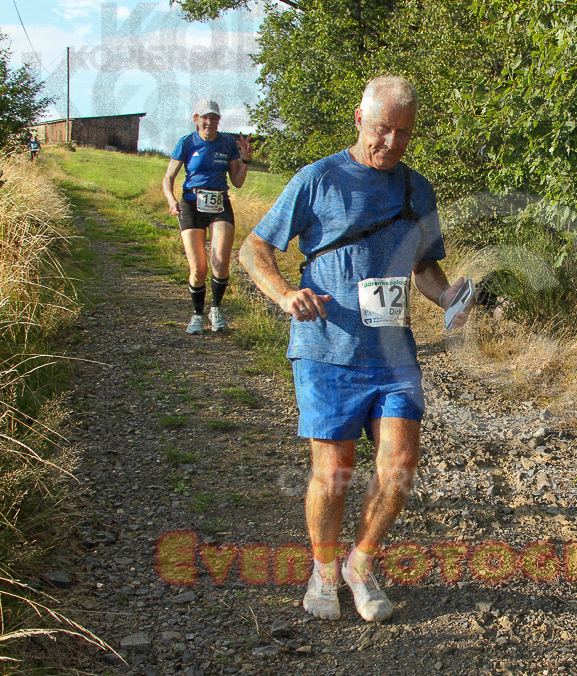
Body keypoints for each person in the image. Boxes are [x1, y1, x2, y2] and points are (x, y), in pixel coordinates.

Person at [239, 75, 473, 623]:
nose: (390, 142)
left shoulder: (419, 191)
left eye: (403, 133)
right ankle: (323, 573)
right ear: (359, 121)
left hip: (393, 355)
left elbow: (424, 269)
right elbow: (255, 249)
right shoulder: (318, 179)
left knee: (400, 465)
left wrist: (449, 298)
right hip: (325, 349)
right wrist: (284, 294)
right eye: (382, 129)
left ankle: (359, 566)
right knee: (335, 471)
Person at [162, 99, 252, 334]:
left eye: (214, 118)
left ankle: (217, 309)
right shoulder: (186, 142)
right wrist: (171, 201)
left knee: (220, 260)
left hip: (220, 203)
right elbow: (168, 178)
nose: (209, 122)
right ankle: (197, 315)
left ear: (219, 120)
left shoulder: (227, 143)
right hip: (191, 204)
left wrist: (246, 160)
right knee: (199, 267)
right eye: (205, 117)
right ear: (196, 119)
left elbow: (238, 182)